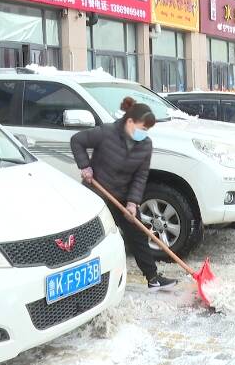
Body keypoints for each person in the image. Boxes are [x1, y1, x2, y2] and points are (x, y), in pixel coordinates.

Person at [70, 101, 177, 290]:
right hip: (97, 194)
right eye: (142, 128)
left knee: (137, 234)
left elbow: (141, 176)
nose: (144, 133)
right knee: (91, 238)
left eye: (147, 130)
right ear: (129, 122)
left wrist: (133, 203)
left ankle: (153, 278)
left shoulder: (145, 144)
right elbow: (77, 140)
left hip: (123, 196)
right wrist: (84, 165)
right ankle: (82, 282)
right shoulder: (106, 133)